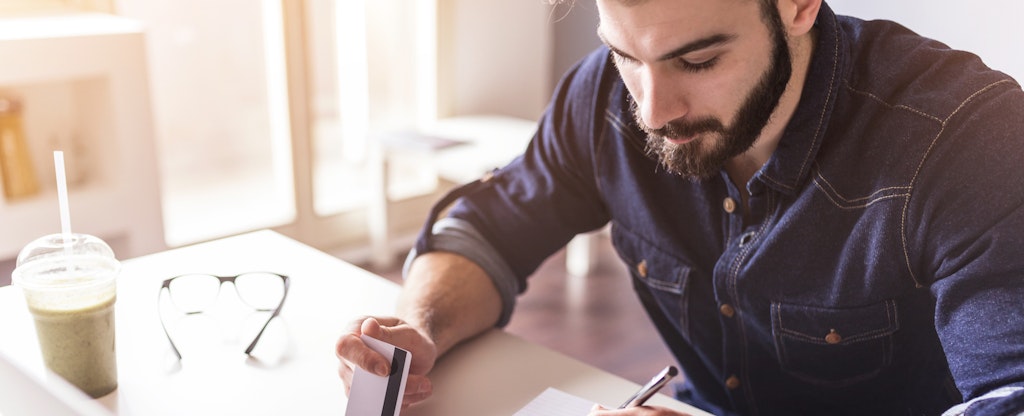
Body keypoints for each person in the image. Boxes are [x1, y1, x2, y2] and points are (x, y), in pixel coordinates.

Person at [336, 0, 1024, 414]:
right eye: (627, 58)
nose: (654, 111)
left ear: (798, 6)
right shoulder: (605, 99)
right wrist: (419, 326)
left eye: (697, 62)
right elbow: (488, 224)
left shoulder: (968, 141)